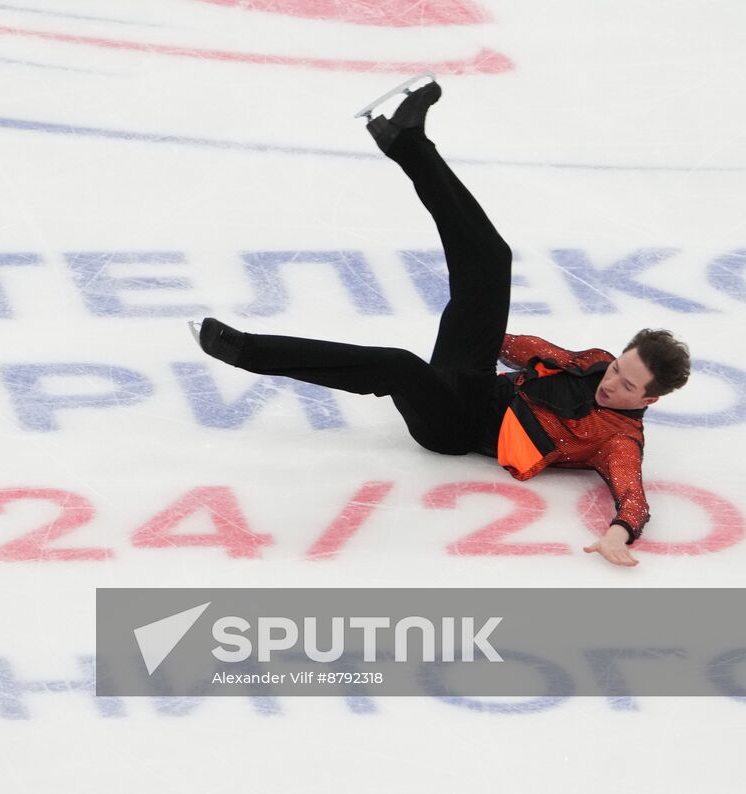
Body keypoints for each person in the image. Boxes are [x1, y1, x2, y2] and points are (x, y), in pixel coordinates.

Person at [192, 78, 690, 568]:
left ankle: (246, 351)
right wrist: (478, 320)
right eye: (617, 369)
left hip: (457, 429)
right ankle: (407, 140)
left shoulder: (619, 441)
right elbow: (529, 350)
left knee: (399, 367)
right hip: (472, 382)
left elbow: (634, 499)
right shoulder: (598, 363)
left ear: (649, 400)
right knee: (492, 260)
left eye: (627, 385)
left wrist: (617, 536)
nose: (610, 382)